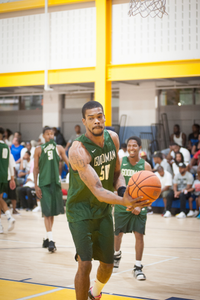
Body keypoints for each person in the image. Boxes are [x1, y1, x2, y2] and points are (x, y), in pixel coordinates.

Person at [66, 101, 148, 300]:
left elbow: (117, 172)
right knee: (85, 263)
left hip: (102, 211)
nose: (96, 121)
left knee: (108, 265)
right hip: (80, 212)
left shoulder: (113, 138)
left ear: (104, 118)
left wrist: (122, 190)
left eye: (99, 116)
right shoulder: (78, 151)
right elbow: (97, 189)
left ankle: (94, 294)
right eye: (91, 118)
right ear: (84, 121)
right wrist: (125, 201)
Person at [114, 136, 152, 281]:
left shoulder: (146, 166)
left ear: (139, 148)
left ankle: (137, 267)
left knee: (139, 235)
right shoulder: (120, 162)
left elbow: (151, 191)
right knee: (118, 234)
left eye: (134, 146)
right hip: (122, 205)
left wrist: (142, 207)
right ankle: (116, 255)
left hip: (139, 207)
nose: (131, 148)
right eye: (129, 146)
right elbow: (114, 182)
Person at [34, 127, 69, 253]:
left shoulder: (59, 148)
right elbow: (35, 168)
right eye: (47, 133)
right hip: (44, 183)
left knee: (52, 213)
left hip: (56, 184)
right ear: (43, 136)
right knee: (47, 213)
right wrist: (36, 185)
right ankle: (51, 241)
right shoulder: (38, 149)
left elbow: (68, 163)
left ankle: (47, 237)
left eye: (52, 133)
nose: (50, 135)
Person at [0, 127, 16, 233]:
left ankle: (9, 216)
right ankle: (1, 225)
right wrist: (12, 178)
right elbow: (11, 164)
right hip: (5, 177)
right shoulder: (7, 147)